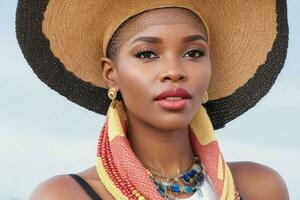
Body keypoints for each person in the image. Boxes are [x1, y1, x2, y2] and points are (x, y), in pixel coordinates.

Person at [16, 1, 289, 199]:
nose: (174, 71)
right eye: (147, 54)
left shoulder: (259, 188)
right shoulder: (67, 196)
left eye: (193, 53)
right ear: (111, 74)